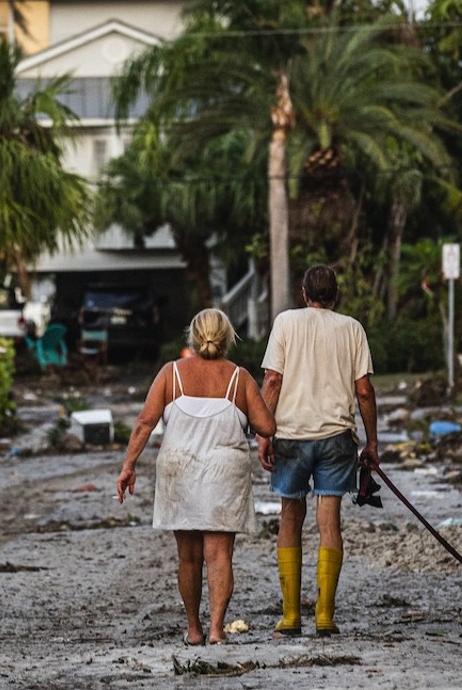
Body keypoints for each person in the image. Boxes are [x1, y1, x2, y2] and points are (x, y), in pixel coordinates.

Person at [117, 308, 275, 645]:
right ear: (228, 337)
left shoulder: (170, 374)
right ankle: (217, 630)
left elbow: (146, 421)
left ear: (192, 335)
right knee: (219, 556)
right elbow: (266, 427)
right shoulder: (239, 378)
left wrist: (128, 465)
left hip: (180, 469)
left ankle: (193, 629)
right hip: (223, 471)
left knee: (188, 557)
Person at [256, 265, 379, 637]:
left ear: (304, 293)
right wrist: (372, 442)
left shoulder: (286, 323)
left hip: (290, 436)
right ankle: (325, 616)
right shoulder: (352, 329)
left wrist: (264, 432)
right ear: (336, 295)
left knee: (290, 518)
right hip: (337, 437)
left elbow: (273, 380)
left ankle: (291, 616)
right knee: (330, 522)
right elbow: (364, 392)